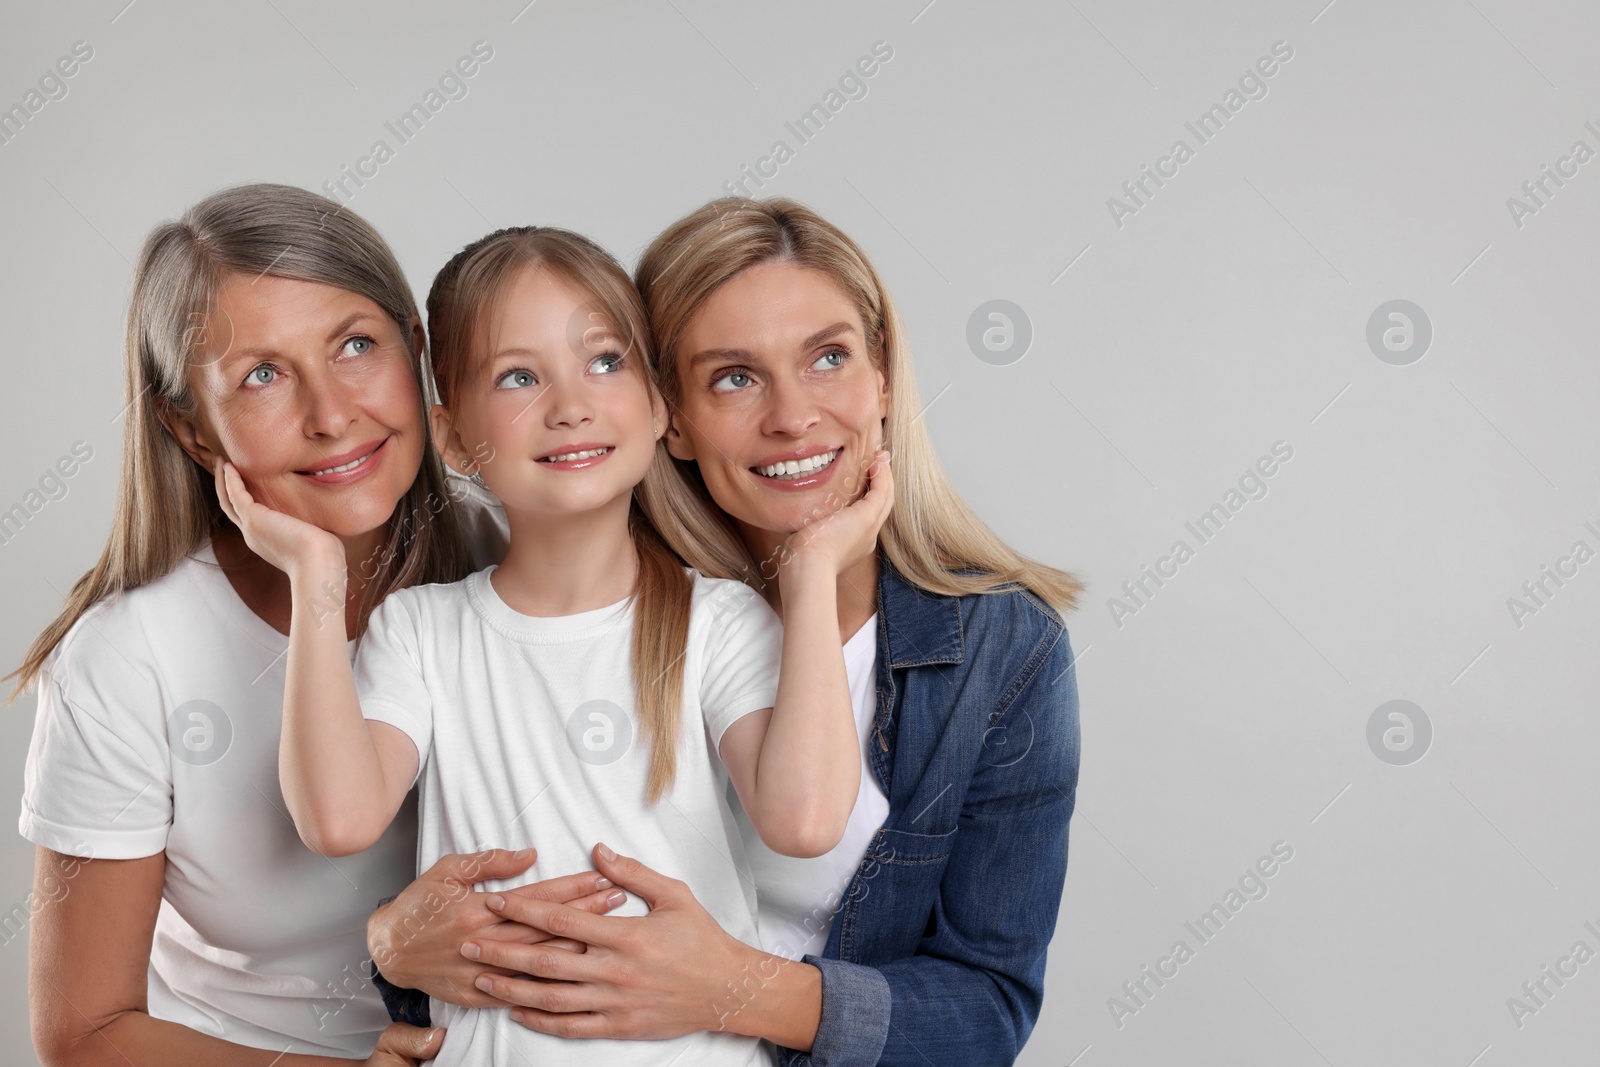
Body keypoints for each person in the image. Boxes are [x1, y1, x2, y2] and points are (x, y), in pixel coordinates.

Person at [371, 198, 1084, 1066]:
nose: (793, 416)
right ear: (666, 412)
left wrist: (735, 989)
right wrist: (391, 944)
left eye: (829, 357)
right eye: (734, 377)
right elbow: (455, 874)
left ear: (884, 376)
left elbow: (988, 1009)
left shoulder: (1003, 652)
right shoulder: (558, 600)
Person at [219, 224, 894, 1066]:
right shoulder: (423, 631)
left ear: (659, 408)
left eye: (604, 361)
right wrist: (315, 573)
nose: (569, 403)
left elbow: (803, 819)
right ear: (456, 438)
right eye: (518, 376)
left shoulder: (718, 622)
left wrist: (812, 568)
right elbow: (338, 818)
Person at [10, 184, 617, 1067]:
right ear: (191, 427)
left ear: (417, 350)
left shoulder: (521, 567)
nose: (331, 413)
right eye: (262, 375)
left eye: (355, 346)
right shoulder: (128, 656)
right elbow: (84, 1034)